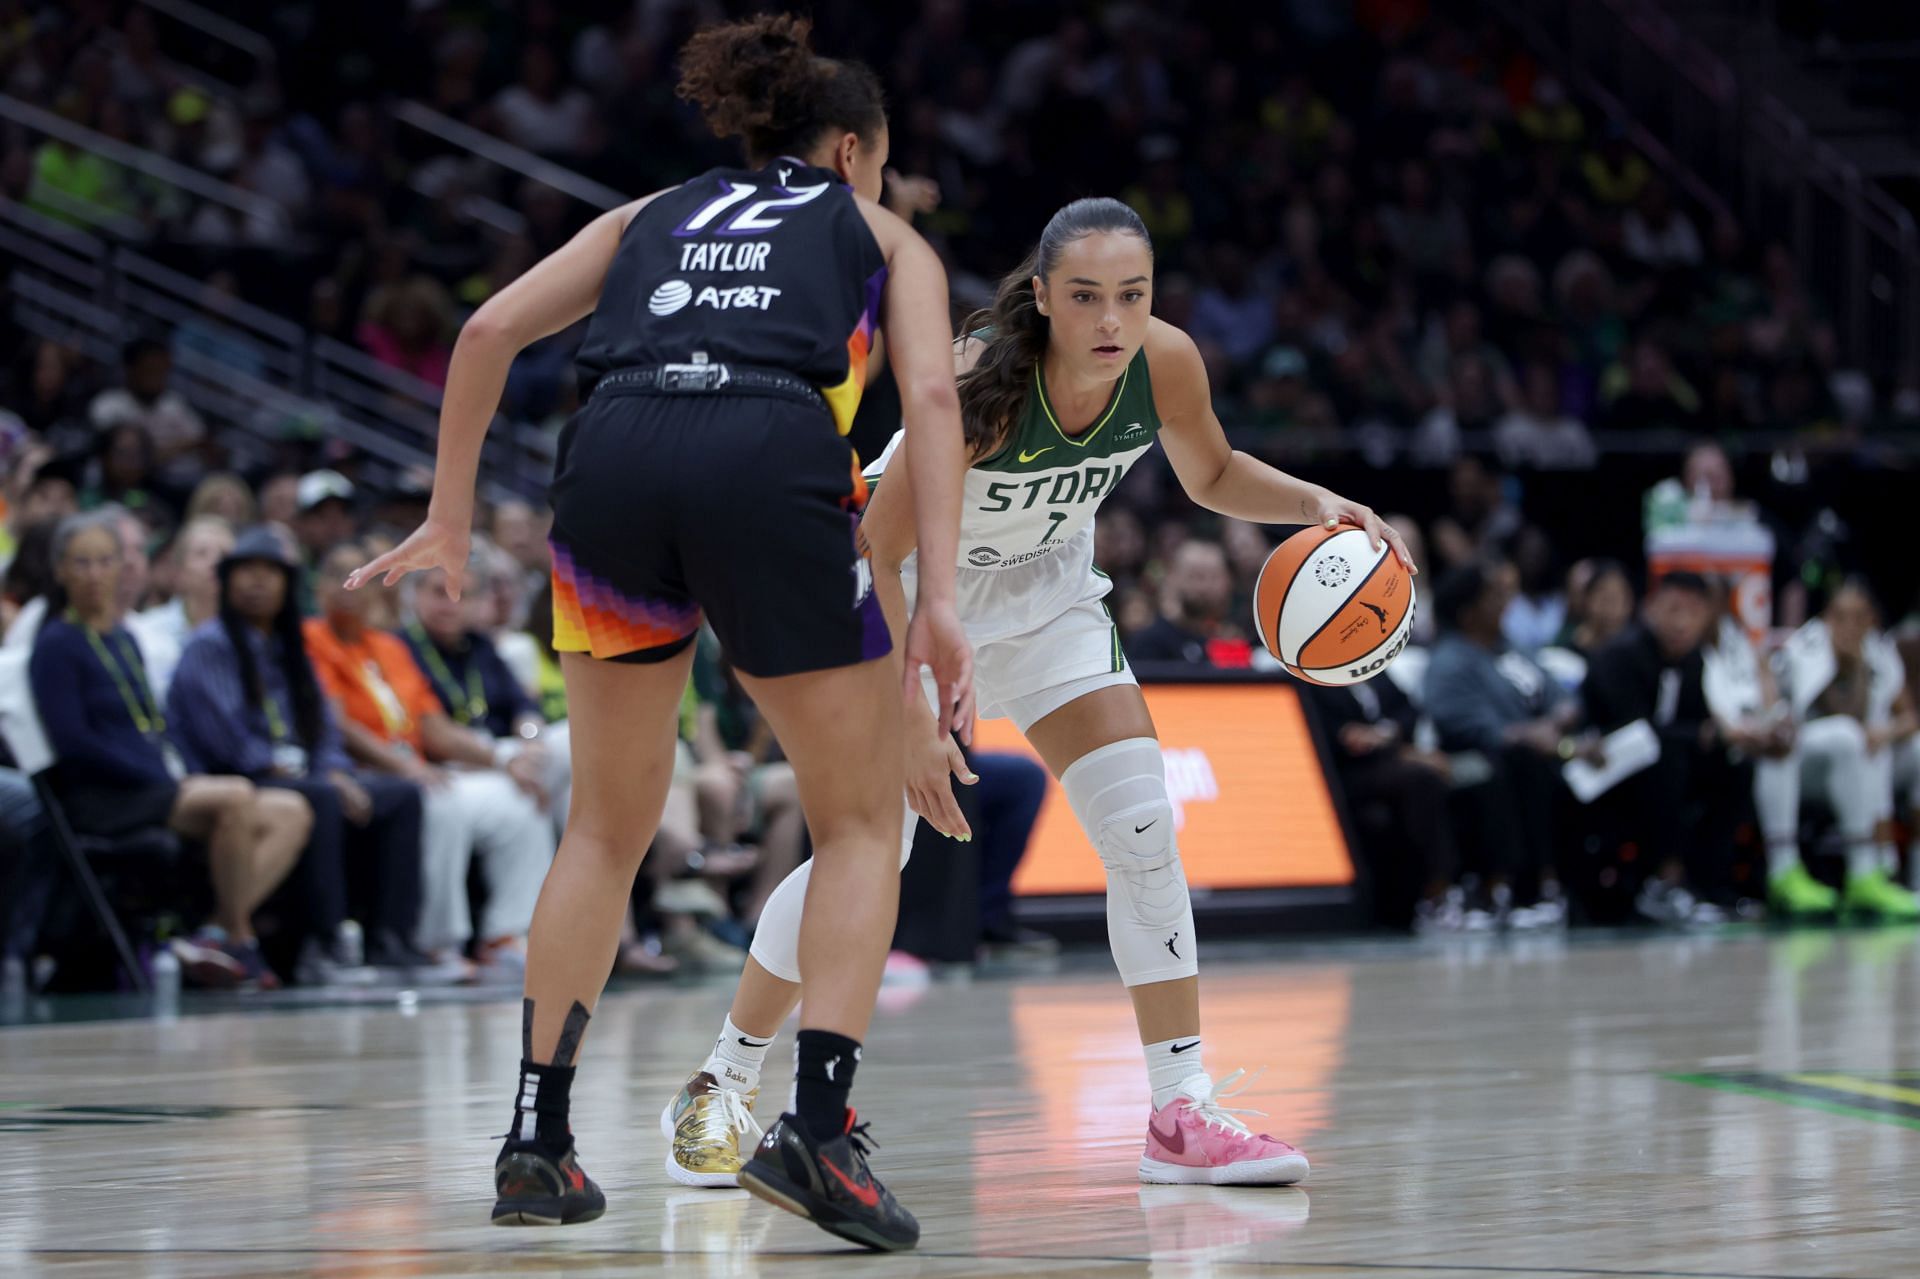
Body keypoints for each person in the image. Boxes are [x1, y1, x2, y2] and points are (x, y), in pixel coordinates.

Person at [346, 14, 972, 1251]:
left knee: (602, 822)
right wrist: (939, 598)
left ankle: (538, 1140)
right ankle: (821, 1135)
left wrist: (453, 515)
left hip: (615, 451)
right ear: (852, 152)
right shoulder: (880, 232)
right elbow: (937, 395)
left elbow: (482, 334)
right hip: (768, 448)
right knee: (856, 823)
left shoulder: (649, 213)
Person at [660, 196, 1411, 1196]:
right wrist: (919, 717)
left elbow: (1214, 470)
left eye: (1132, 297)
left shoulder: (1166, 363)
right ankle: (724, 1077)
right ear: (1048, 299)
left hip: (1050, 601)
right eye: (1089, 297)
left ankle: (1180, 1111)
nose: (1112, 320)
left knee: (1145, 826)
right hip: (911, 603)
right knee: (872, 851)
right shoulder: (978, 388)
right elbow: (874, 553)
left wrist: (1313, 501)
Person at [28, 510, 311, 988]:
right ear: (60, 570)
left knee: (293, 811)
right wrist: (160, 778)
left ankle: (215, 930)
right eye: (82, 562)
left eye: (104, 561)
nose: (95, 574)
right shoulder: (57, 643)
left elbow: (150, 729)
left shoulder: (123, 639)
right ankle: (238, 938)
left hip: (152, 783)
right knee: (235, 797)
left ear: (121, 567)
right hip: (103, 796)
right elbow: (75, 743)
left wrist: (169, 775)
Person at [166, 528, 432, 981]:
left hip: (299, 772)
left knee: (403, 795)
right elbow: (232, 745)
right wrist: (319, 776)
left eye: (270, 573)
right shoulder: (210, 645)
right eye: (246, 572)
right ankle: (323, 944)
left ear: (288, 585)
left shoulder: (290, 647)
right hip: (234, 778)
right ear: (227, 583)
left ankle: (393, 940)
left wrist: (333, 769)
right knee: (323, 798)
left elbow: (324, 729)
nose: (257, 582)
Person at [304, 544, 555, 984]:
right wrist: (406, 768)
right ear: (318, 588)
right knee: (441, 802)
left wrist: (503, 758)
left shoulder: (387, 647)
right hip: (367, 769)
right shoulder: (312, 637)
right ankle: (437, 942)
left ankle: (504, 938)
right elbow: (338, 722)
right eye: (340, 577)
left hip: (418, 765)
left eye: (360, 578)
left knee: (520, 804)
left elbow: (429, 722)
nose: (351, 589)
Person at [1582, 572, 1752, 925]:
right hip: (1607, 768)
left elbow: (1701, 723)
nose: (1681, 622)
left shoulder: (1695, 661)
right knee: (1666, 757)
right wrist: (1698, 735)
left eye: (1693, 612)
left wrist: (1720, 734)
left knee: (1734, 766)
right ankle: (1664, 882)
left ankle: (1713, 885)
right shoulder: (1621, 655)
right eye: (1673, 610)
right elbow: (1631, 727)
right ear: (1651, 608)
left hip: (1671, 763)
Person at [1425, 562, 1586, 927]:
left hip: (1546, 746)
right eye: (1492, 597)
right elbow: (1468, 725)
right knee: (1522, 761)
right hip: (1481, 759)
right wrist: (1530, 734)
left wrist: (1556, 721)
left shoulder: (1512, 649)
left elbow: (1562, 696)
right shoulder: (1450, 660)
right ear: (1467, 612)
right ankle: (1525, 886)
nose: (1504, 604)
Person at [1773, 580, 1920, 920]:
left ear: (1872, 619)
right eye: (1840, 616)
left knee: (1909, 749)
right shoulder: (1808, 648)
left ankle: (1911, 879)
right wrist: (1852, 669)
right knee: (1849, 736)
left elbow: (1909, 716)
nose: (1849, 625)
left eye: (1859, 616)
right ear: (1826, 617)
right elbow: (1845, 713)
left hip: (1867, 760)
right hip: (1809, 765)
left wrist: (1887, 732)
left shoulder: (1879, 649)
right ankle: (1868, 872)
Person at [1126, 539, 1239, 666]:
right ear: (1173, 577)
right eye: (1197, 576)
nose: (1206, 587)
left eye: (1214, 577)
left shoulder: (1233, 638)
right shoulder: (1150, 642)